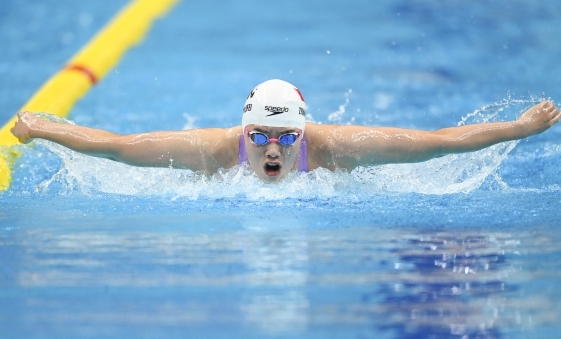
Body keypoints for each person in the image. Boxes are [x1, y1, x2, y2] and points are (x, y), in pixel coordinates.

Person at [10, 79, 560, 183]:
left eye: (286, 138)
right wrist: (42, 126)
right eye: (260, 138)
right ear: (244, 132)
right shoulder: (211, 151)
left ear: (305, 133)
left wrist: (520, 127)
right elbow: (118, 148)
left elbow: (437, 141)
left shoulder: (338, 149)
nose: (273, 150)